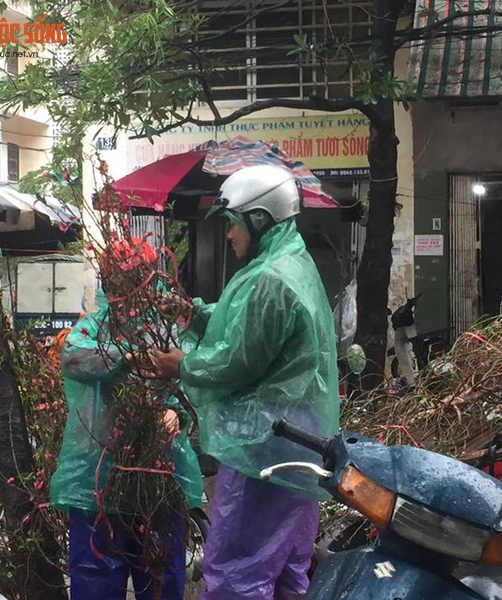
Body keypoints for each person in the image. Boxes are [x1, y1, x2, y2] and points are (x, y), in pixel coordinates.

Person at [143, 164, 340, 600]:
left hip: (265, 444)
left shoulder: (272, 278)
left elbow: (239, 360)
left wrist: (184, 366)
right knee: (288, 567)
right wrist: (193, 314)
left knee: (238, 568)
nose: (229, 235)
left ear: (258, 219)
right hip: (297, 440)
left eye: (233, 224)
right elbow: (247, 326)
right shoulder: (290, 263)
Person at [50, 281, 203, 599]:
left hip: (158, 482)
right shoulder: (95, 326)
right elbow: (74, 358)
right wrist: (128, 358)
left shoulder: (167, 329)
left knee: (161, 582)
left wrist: (177, 414)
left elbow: (192, 375)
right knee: (96, 584)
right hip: (101, 482)